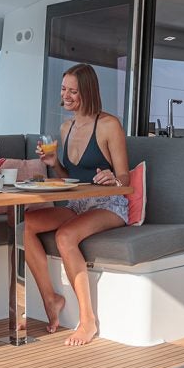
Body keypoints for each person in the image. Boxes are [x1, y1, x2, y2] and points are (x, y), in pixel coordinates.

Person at [25, 64, 130, 346]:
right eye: (64, 89)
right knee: (24, 226)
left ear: (88, 92)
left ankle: (88, 321)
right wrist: (53, 163)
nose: (67, 96)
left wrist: (113, 178)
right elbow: (67, 178)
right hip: (78, 204)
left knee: (65, 235)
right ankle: (51, 298)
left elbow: (125, 177)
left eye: (73, 91)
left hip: (109, 204)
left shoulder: (109, 125)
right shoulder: (66, 127)